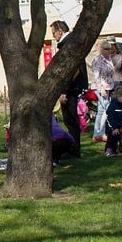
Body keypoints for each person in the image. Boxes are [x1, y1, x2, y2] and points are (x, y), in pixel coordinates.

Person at [50, 20, 88, 157]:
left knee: (71, 120)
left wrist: (64, 91)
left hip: (70, 89)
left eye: (54, 33)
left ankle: (74, 149)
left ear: (60, 31)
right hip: (73, 87)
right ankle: (73, 148)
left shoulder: (68, 45)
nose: (54, 36)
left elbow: (70, 71)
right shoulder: (72, 43)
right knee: (71, 120)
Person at [90, 41, 119, 142]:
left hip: (109, 87)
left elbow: (111, 72)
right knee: (106, 109)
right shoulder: (97, 60)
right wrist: (101, 89)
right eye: (106, 49)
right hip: (100, 87)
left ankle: (97, 134)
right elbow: (96, 76)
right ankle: (100, 133)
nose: (109, 51)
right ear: (101, 49)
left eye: (110, 49)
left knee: (101, 111)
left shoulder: (109, 59)